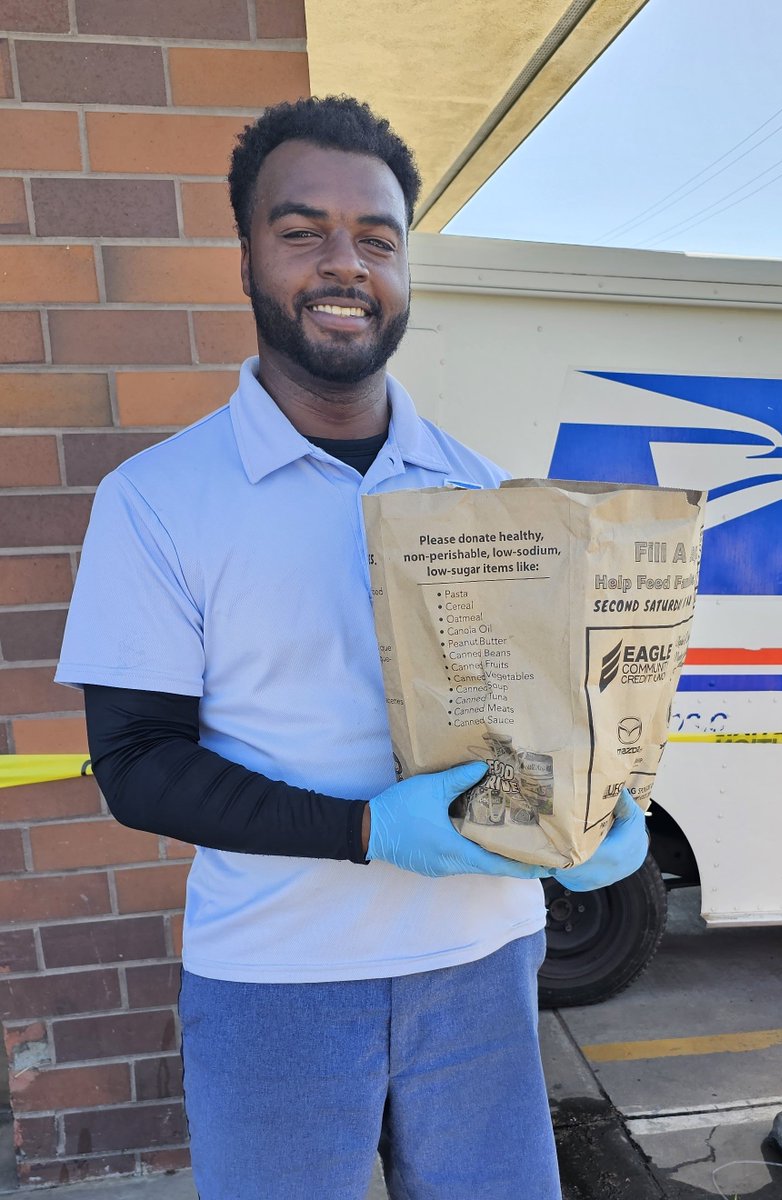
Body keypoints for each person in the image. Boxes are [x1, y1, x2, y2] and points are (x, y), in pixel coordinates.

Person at [55, 95, 649, 1200]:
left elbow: (548, 711)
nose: (344, 263)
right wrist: (370, 830)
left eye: (375, 238)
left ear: (407, 267)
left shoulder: (488, 489)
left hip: (482, 957)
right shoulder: (156, 501)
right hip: (278, 972)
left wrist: (606, 806)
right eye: (302, 231)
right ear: (244, 261)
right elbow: (137, 765)